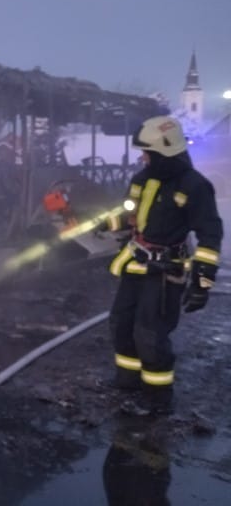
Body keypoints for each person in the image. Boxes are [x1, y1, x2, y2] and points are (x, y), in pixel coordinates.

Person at [105, 115, 223, 415]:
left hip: (164, 273)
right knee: (121, 324)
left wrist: (203, 284)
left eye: (147, 152)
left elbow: (210, 235)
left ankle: (157, 397)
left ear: (164, 152)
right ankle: (127, 379)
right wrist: (107, 222)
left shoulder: (194, 186)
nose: (142, 157)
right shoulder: (142, 179)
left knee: (151, 334)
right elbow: (129, 212)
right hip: (135, 264)